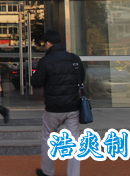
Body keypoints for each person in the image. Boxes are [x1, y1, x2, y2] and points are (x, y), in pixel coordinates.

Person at [31, 30, 85, 176]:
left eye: (45, 43)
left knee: (48, 138)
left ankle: (48, 172)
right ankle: (73, 173)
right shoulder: (74, 59)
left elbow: (36, 82)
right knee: (74, 141)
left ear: (48, 43)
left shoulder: (46, 61)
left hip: (53, 108)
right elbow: (81, 77)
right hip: (73, 106)